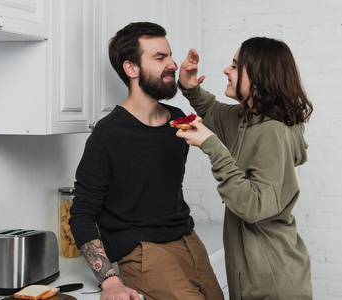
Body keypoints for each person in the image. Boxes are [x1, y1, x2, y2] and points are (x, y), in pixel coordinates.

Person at [69, 22, 224, 300]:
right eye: (160, 58)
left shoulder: (177, 120)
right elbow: (81, 215)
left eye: (170, 55)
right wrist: (110, 280)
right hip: (145, 251)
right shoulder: (108, 134)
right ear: (131, 68)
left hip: (190, 241)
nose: (173, 64)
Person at [176, 37, 313, 299]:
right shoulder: (249, 119)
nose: (227, 70)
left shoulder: (272, 132)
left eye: (236, 66)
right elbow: (213, 111)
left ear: (260, 78)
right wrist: (190, 87)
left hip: (272, 282)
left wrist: (212, 146)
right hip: (256, 275)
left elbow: (254, 207)